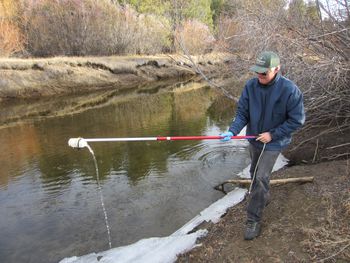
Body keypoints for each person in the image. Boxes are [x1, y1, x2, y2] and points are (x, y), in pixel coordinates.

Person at [220, 51, 305, 240]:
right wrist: (232, 131)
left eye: (264, 73)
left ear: (277, 69)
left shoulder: (290, 90)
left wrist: (272, 134)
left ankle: (253, 219)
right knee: (254, 173)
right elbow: (242, 113)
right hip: (254, 139)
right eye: (257, 71)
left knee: (260, 177)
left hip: (274, 143)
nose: (259, 76)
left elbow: (297, 120)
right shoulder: (250, 86)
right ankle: (263, 197)